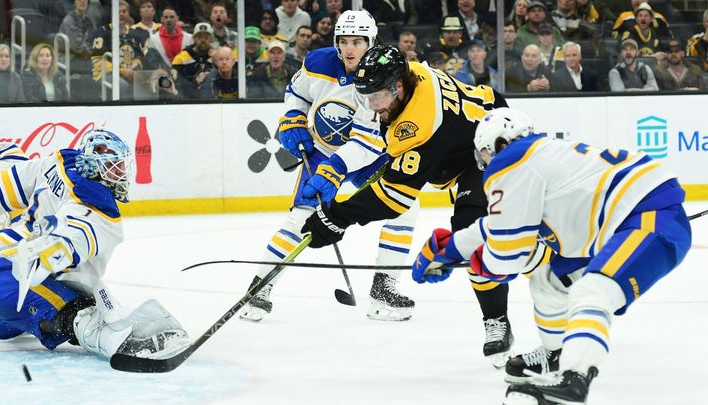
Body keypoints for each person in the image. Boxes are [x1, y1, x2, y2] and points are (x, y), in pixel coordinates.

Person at [411, 107, 691, 404]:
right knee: (548, 282)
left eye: (485, 154)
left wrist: (477, 264)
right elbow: (497, 224)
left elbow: (508, 256)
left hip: (650, 219)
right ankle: (557, 354)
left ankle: (574, 380)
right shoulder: (539, 157)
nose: (486, 165)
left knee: (594, 289)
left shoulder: (511, 161)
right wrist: (449, 249)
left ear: (500, 145)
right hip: (627, 219)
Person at [300, 45, 517, 367]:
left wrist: (336, 218)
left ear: (396, 87)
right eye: (367, 97)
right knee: (475, 233)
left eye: (377, 98)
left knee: (470, 234)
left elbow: (394, 198)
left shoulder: (419, 122)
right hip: (473, 128)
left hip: (493, 143)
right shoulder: (408, 73)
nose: (372, 107)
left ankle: (496, 321)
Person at [239, 11, 418, 323]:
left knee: (404, 205)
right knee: (300, 219)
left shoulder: (381, 75)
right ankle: (259, 289)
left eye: (358, 42)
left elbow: (367, 139)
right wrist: (293, 118)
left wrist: (336, 168)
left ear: (370, 43)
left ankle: (384, 290)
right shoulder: (319, 62)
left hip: (369, 157)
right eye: (345, 41)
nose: (350, 49)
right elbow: (297, 92)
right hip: (322, 153)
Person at [0, 131, 191, 362]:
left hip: (61, 287)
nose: (121, 174)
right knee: (1, 312)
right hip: (20, 273)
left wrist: (47, 252)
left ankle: (92, 327)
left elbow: (75, 238)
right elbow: (11, 184)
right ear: (93, 165)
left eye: (122, 166)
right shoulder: (61, 164)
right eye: (114, 166)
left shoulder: (100, 208)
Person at [172, 22, 215, 99]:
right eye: (199, 37)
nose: (203, 40)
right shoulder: (181, 57)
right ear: (193, 38)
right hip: (188, 99)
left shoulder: (217, 56)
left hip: (211, 100)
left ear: (211, 39)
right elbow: (175, 80)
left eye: (206, 37)